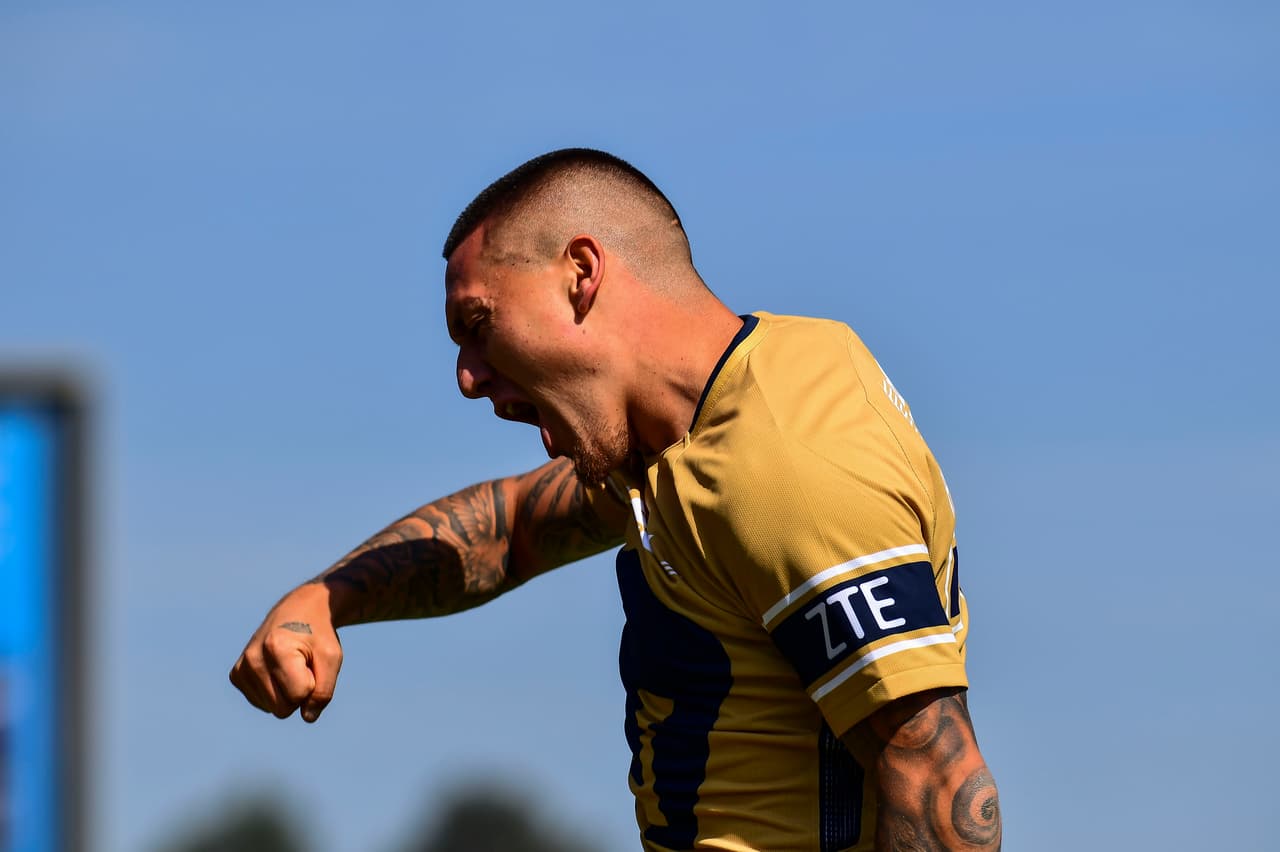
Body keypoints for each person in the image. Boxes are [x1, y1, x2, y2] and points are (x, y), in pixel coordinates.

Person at [229, 148, 1001, 851]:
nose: (467, 378)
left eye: (478, 325)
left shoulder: (785, 458)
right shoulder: (680, 445)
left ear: (581, 273)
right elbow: (512, 530)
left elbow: (940, 795)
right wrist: (324, 598)